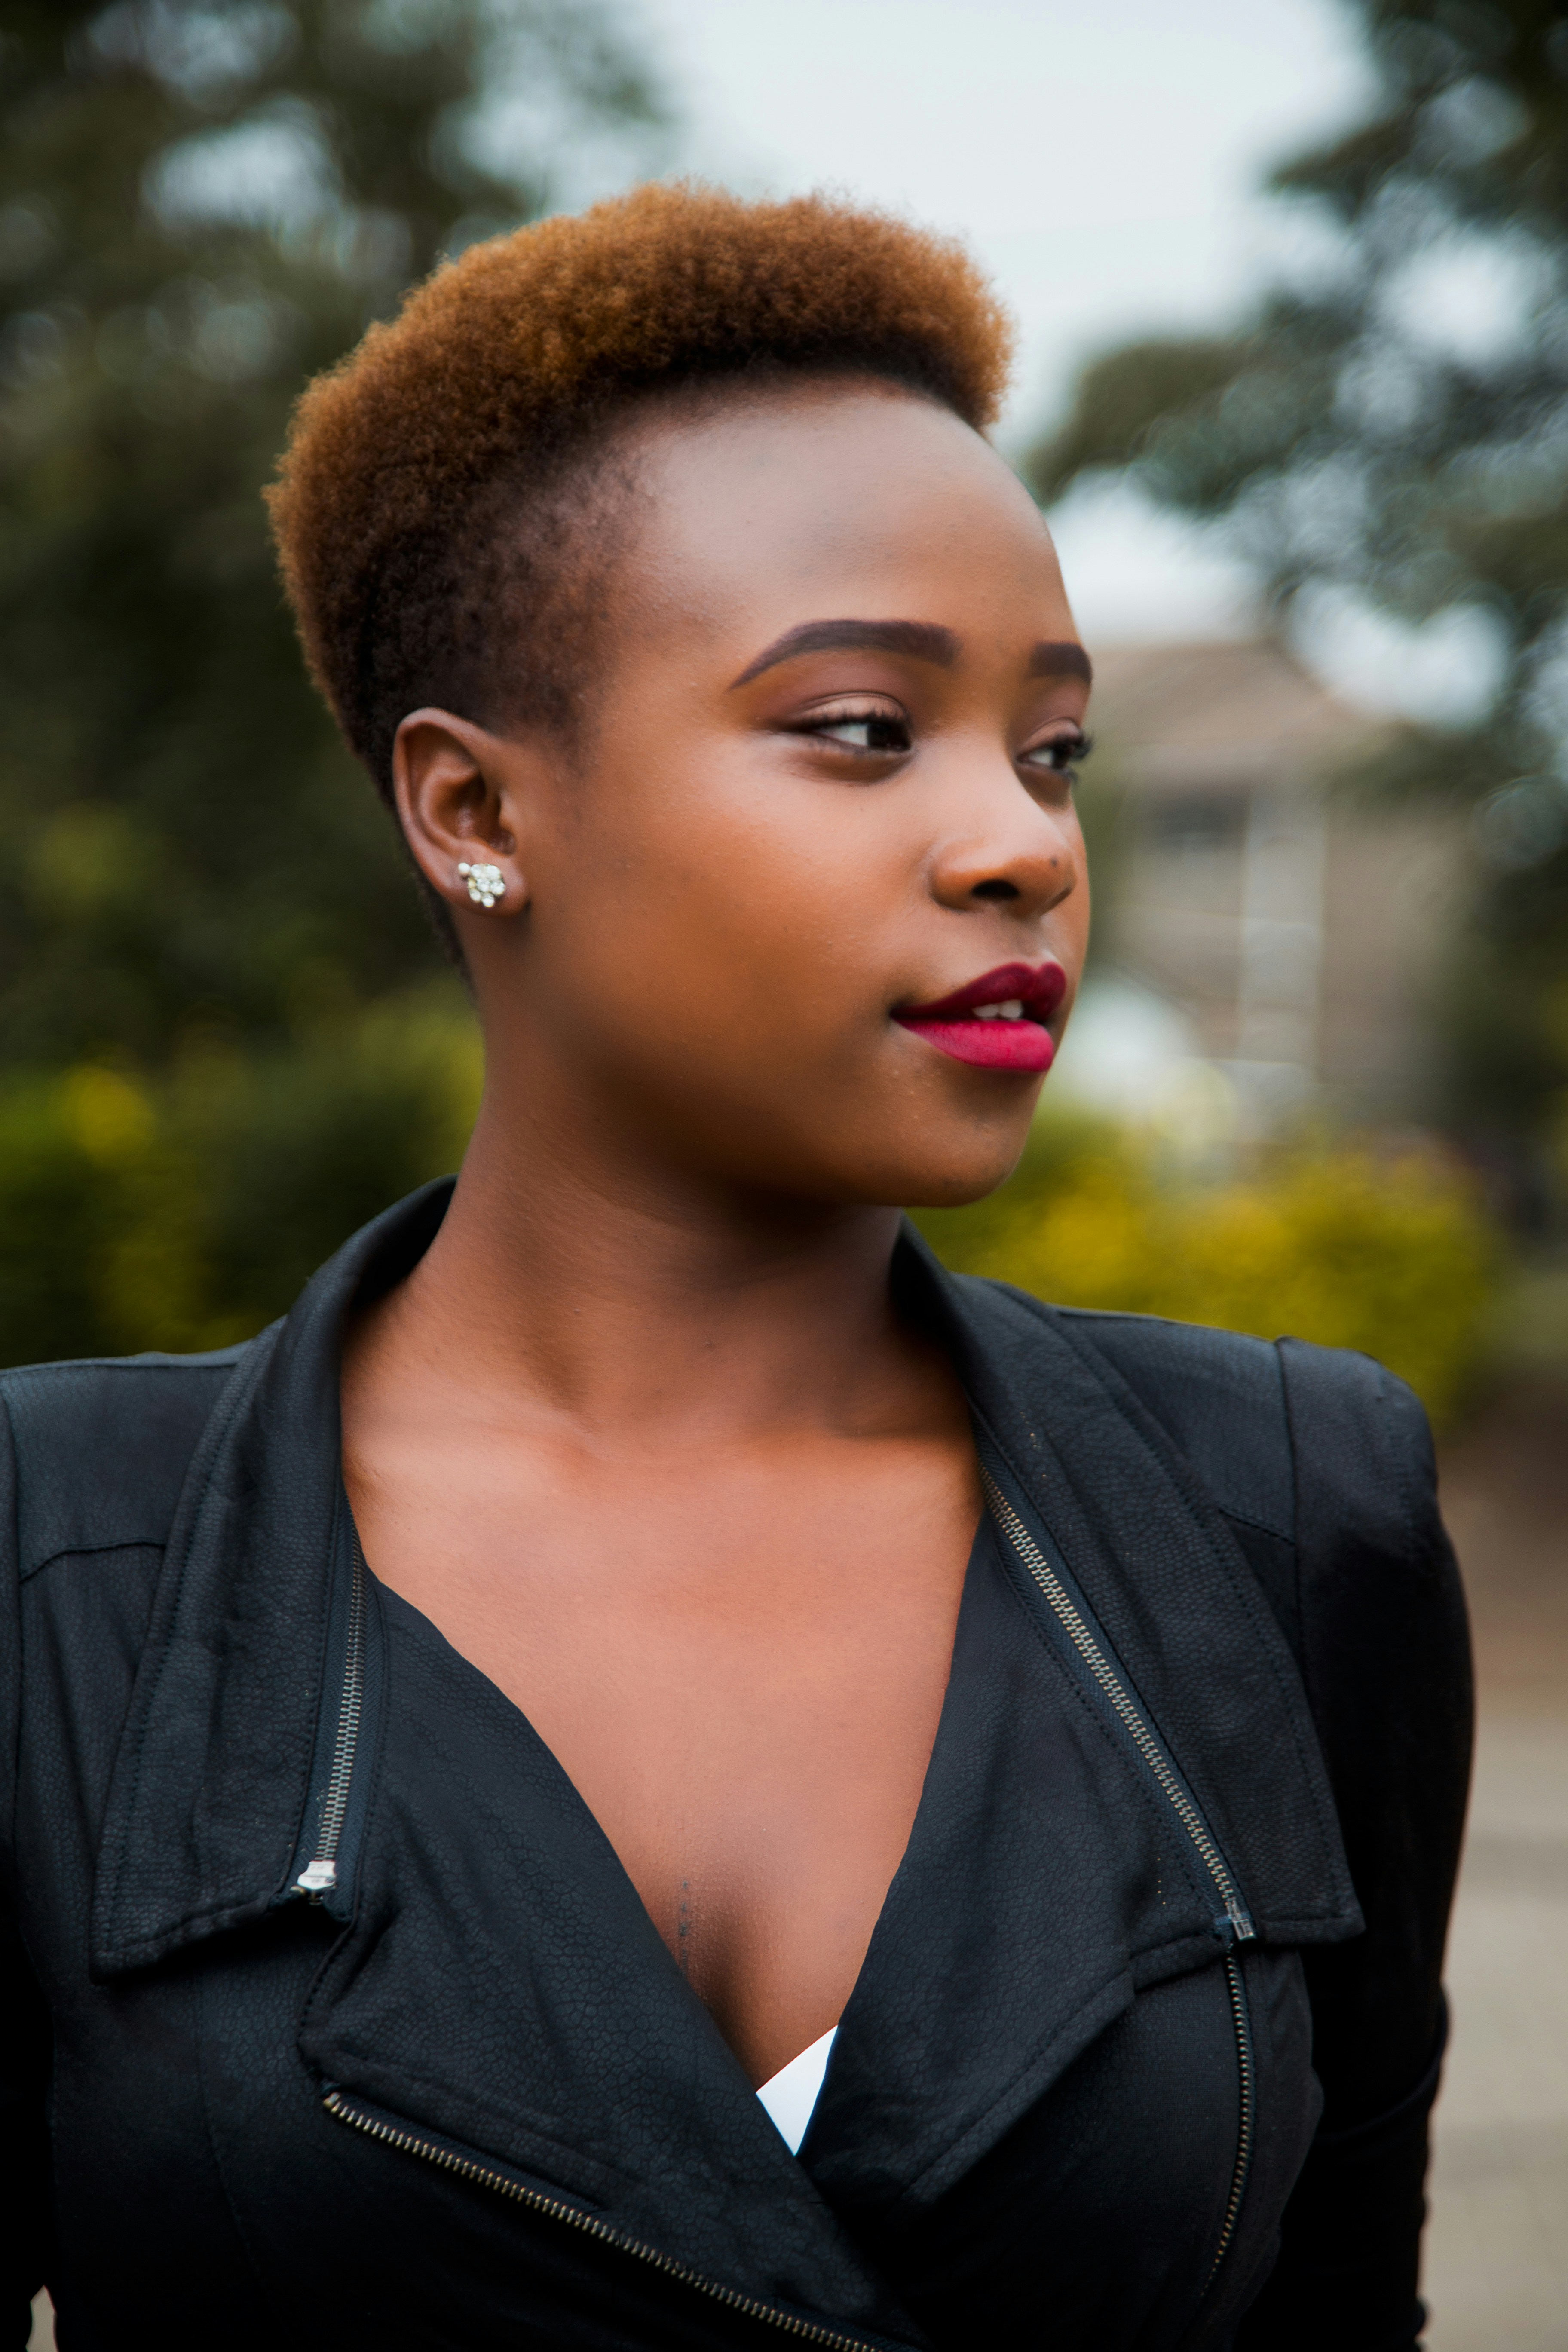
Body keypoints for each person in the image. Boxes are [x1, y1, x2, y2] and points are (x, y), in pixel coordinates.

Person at [0, 185, 1469, 2351]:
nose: (1022, 842)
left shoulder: (1280, 1513)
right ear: (473, 807)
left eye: (1052, 748)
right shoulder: (57, 1561)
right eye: (865, 729)